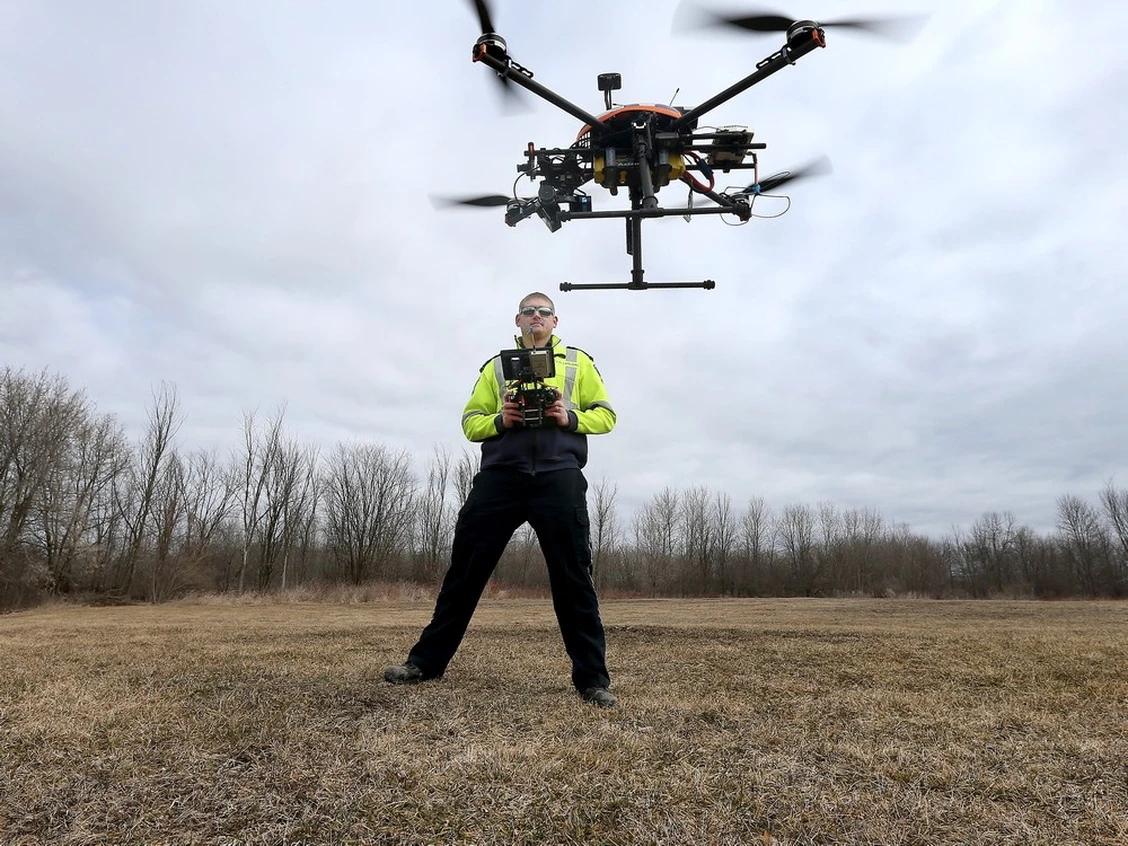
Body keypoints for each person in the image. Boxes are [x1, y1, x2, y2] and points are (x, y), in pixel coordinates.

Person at [384, 292, 618, 707]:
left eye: (544, 312)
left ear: (555, 321)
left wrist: (570, 417)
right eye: (529, 312)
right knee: (465, 573)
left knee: (573, 578)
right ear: (517, 319)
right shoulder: (496, 366)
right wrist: (499, 420)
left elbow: (608, 415)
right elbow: (470, 422)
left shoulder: (579, 363)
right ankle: (425, 663)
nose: (536, 318)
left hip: (558, 476)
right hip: (501, 478)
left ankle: (592, 680)